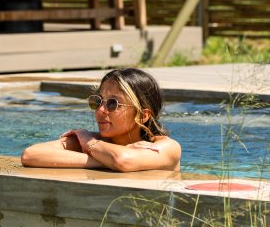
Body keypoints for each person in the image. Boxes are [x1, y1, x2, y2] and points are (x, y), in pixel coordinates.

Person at [21, 68, 181, 172]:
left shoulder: (168, 147)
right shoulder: (93, 140)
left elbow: (122, 160)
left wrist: (90, 144)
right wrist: (100, 158)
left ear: (143, 115)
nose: (100, 110)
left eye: (113, 103)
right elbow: (31, 154)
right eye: (98, 101)